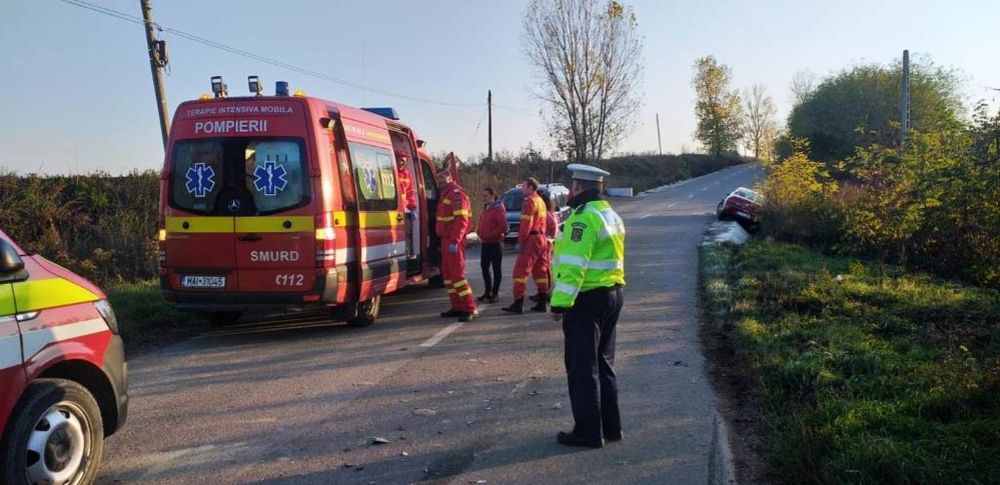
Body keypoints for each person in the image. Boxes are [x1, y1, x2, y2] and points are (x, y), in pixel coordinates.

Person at [549, 163, 626, 448]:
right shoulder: (610, 214)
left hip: (587, 300)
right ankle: (611, 426)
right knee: (604, 364)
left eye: (572, 185)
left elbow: (573, 267)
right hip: (612, 296)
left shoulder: (582, 220)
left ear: (579, 187)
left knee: (582, 368)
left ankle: (588, 432)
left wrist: (558, 304)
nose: (570, 190)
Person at [434, 165, 479, 322]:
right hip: (445, 240)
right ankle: (457, 307)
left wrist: (455, 241)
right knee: (448, 277)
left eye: (442, 178)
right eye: (437, 178)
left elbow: (462, 220)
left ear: (449, 177)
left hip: (453, 241)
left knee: (458, 276)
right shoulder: (444, 194)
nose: (439, 181)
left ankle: (470, 308)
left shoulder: (456, 194)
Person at [502, 177, 549, 314]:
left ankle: (518, 304)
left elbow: (525, 225)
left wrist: (520, 242)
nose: (522, 189)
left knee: (520, 273)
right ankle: (542, 302)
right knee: (540, 272)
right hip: (541, 238)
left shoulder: (529, 202)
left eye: (524, 186)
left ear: (530, 188)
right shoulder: (540, 201)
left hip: (531, 239)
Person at [476, 187, 507, 303]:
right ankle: (487, 291)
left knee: (496, 269)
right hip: (485, 243)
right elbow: (482, 223)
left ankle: (495, 293)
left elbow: (503, 227)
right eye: (483, 196)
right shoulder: (486, 208)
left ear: (492, 196)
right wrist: (479, 232)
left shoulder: (498, 209)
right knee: (484, 267)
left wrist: (489, 235)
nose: (483, 198)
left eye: (486, 196)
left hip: (495, 243)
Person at [530, 190, 559, 303]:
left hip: (546, 243)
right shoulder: (549, 214)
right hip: (546, 243)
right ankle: (542, 291)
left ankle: (545, 292)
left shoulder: (547, 215)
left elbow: (549, 232)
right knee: (541, 269)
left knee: (544, 269)